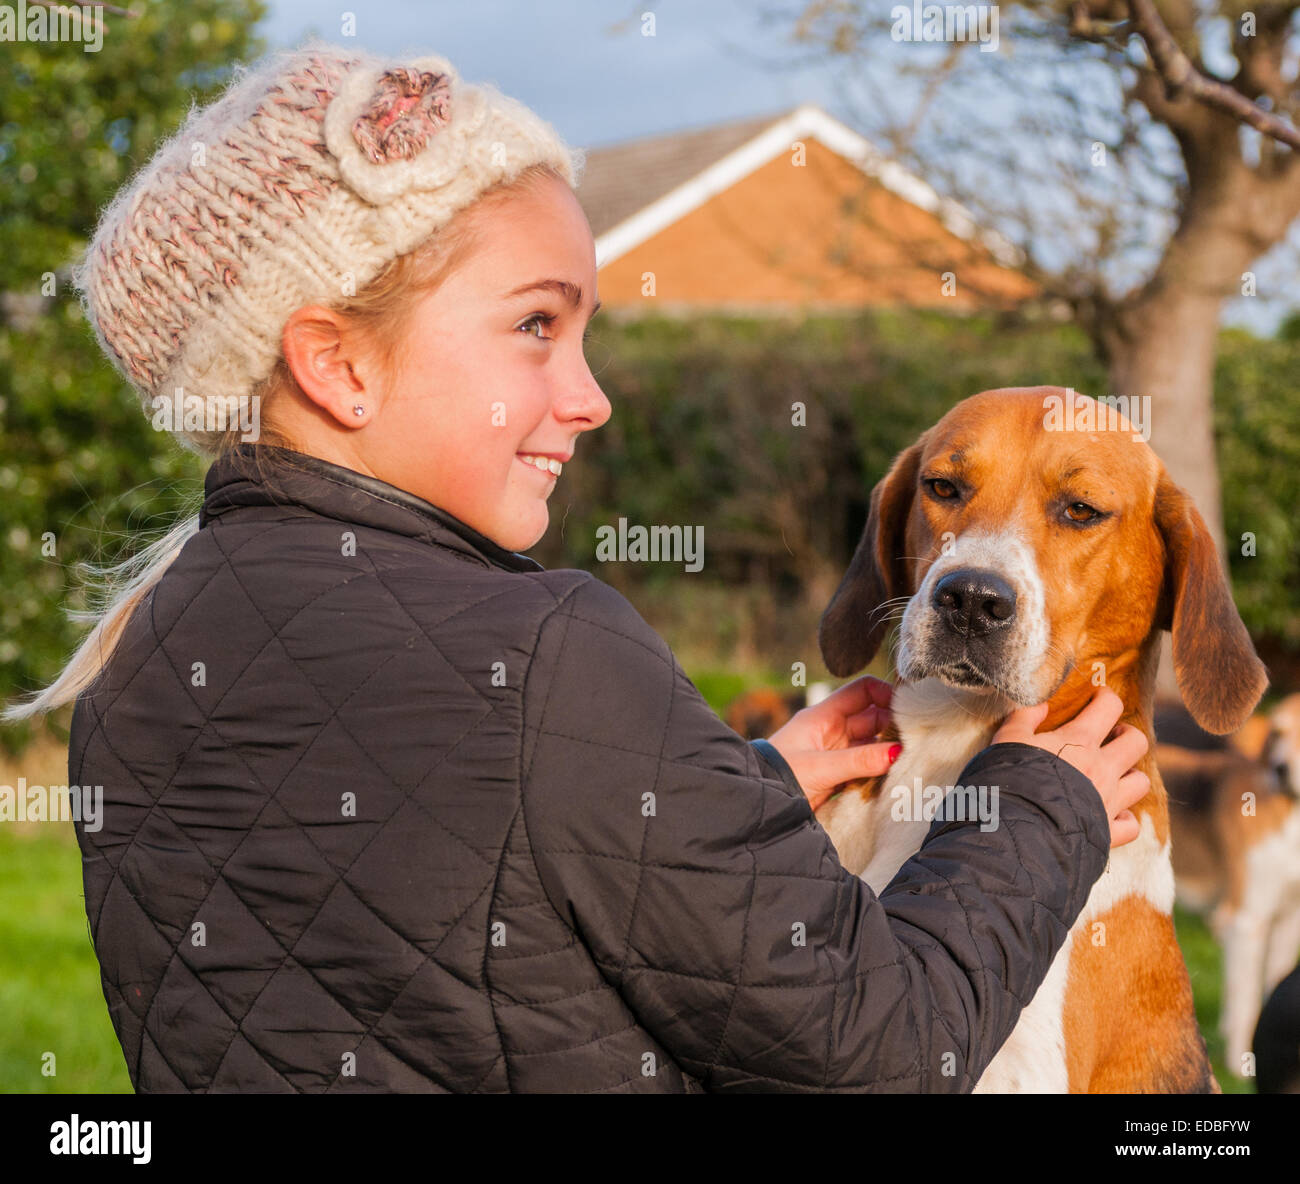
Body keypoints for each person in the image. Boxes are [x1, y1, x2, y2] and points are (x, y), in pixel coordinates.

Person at [7, 43, 1147, 1093]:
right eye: (536, 327)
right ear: (336, 364)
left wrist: (722, 797)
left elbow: (446, 885)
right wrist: (1039, 807)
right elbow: (884, 1049)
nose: (589, 396)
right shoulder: (551, 653)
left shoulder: (142, 657)